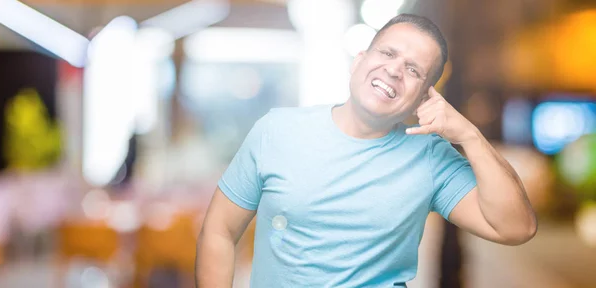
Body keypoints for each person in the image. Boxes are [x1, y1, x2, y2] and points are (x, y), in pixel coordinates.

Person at [195, 13, 537, 287]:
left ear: (425, 96)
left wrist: (470, 136)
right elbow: (220, 231)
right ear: (359, 61)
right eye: (388, 53)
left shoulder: (430, 156)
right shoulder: (276, 130)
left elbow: (516, 228)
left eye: (414, 70)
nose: (394, 70)